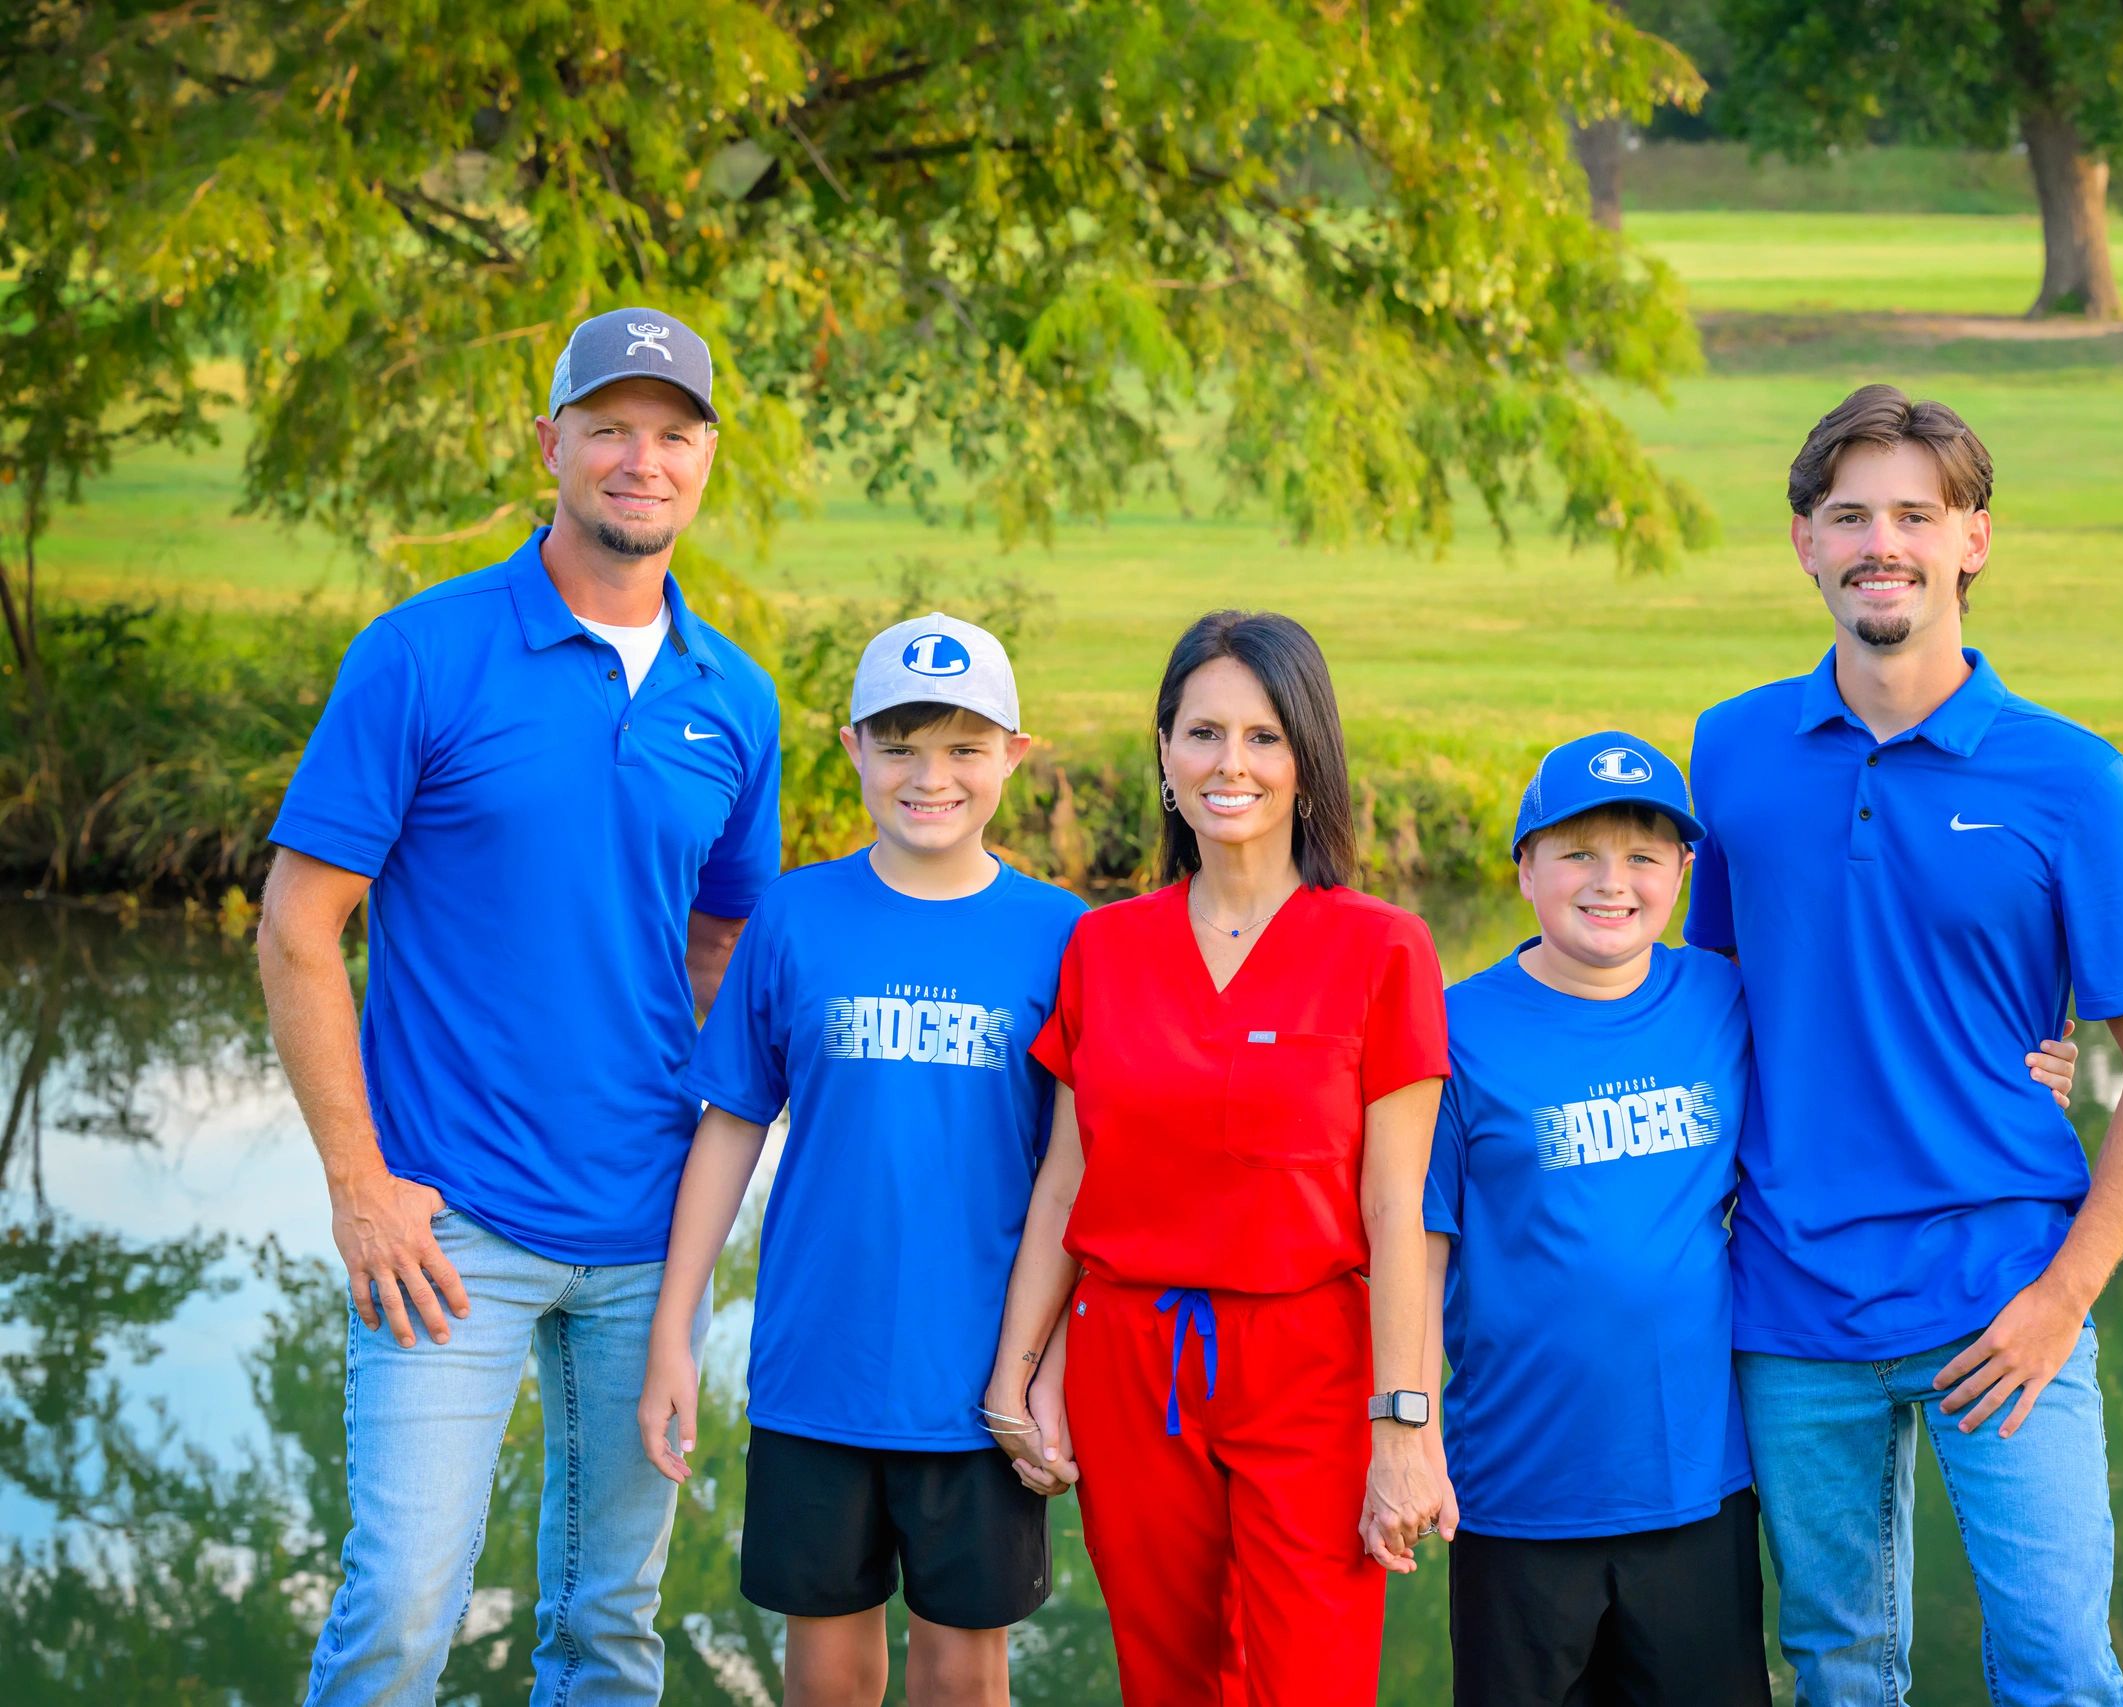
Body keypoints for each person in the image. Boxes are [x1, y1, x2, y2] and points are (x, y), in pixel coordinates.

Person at [260, 308, 781, 1706]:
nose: (641, 457)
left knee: (611, 1623)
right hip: (446, 1227)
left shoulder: (736, 698)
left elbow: (722, 937)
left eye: (672, 432)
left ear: (705, 460)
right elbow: (299, 927)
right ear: (551, 442)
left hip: (646, 1234)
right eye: (609, 425)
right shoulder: (422, 652)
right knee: (402, 1600)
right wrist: (360, 1182)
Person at [1684, 383, 2123, 1705]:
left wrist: (2061, 1298)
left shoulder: (2071, 777)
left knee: (2057, 1663)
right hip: (1793, 1302)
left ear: (1973, 538)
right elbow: (1712, 999)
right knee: (1838, 1668)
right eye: (1851, 513)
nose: (1883, 541)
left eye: (1917, 512)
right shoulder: (1733, 747)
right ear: (1803, 539)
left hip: (2006, 1290)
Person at [1427, 731, 2081, 1707]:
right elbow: (1411, 1245)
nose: (1611, 882)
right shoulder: (1451, 1029)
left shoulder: (1723, 998)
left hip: (1697, 1489)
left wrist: (2009, 1071)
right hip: (1516, 1493)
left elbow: (1864, 1053)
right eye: (1575, 852)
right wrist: (1399, 1426)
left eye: (1644, 855)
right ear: (1524, 867)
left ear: (1686, 873)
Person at [979, 610, 1455, 1707]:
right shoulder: (1105, 945)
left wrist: (1403, 1427)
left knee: (1313, 1682)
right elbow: (1066, 1180)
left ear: (1306, 760)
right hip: (1132, 1364)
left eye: (1262, 736)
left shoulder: (1382, 947)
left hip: (1312, 1367)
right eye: (1202, 733)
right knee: (1170, 1679)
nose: (1228, 764)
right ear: (1163, 751)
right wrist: (1019, 1367)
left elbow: (1397, 1212)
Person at [635, 614, 1082, 1707]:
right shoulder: (794, 916)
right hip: (815, 1371)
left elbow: (1083, 1180)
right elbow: (733, 1124)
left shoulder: (1065, 934)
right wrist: (673, 1330)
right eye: (900, 746)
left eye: (965, 748)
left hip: (982, 1387)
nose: (931, 777)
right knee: (826, 1671)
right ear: (852, 751)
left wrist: (1051, 1365)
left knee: (963, 1673)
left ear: (1014, 755)